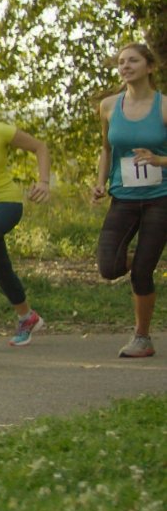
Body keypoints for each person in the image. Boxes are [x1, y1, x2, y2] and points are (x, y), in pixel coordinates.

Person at [93, 42, 167, 359]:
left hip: (160, 198)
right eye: (121, 62)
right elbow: (107, 150)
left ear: (150, 67)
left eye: (133, 61)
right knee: (108, 267)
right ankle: (141, 257)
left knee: (141, 272)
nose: (125, 66)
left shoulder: (164, 107)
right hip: (122, 197)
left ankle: (142, 338)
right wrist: (99, 182)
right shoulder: (109, 106)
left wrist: (159, 161)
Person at [0, 116, 50, 346]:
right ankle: (27, 316)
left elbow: (40, 147)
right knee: (0, 265)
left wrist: (44, 182)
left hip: (6, 203)